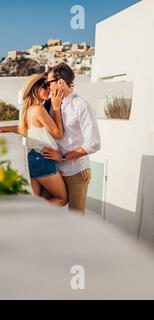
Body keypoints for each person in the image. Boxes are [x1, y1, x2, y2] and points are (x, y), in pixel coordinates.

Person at [40, 63, 101, 212]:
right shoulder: (50, 105)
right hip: (54, 171)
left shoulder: (81, 105)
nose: (48, 86)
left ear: (60, 82)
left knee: (76, 219)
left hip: (76, 173)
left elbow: (94, 143)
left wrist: (62, 157)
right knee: (42, 209)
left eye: (49, 82)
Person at [18, 73, 67, 206]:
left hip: (32, 159)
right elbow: (58, 133)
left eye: (49, 88)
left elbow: (21, 129)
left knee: (33, 201)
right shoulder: (39, 109)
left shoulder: (27, 110)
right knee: (62, 198)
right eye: (44, 87)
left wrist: (1, 129)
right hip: (43, 158)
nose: (48, 91)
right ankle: (36, 214)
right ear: (35, 88)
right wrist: (56, 109)